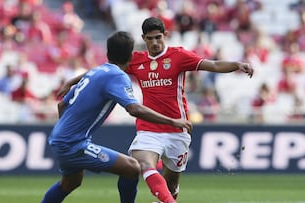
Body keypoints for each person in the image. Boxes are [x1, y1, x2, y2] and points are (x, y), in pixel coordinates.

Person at [59, 17, 254, 203]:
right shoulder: (135, 60)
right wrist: (73, 81)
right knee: (143, 163)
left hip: (178, 130)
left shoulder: (179, 56)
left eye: (158, 37)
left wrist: (236, 64)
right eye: (150, 38)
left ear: (165, 35)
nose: (154, 42)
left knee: (171, 186)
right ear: (143, 39)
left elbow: (212, 64)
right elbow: (103, 71)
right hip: (149, 129)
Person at [40, 31, 192, 203]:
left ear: (108, 53)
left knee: (70, 183)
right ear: (130, 55)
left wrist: (66, 132)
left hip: (60, 138)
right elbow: (134, 109)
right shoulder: (117, 76)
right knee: (132, 168)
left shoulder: (96, 71)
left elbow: (62, 105)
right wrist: (172, 121)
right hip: (72, 144)